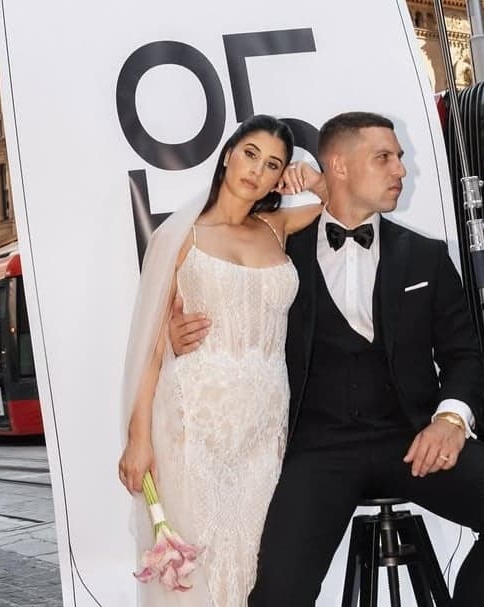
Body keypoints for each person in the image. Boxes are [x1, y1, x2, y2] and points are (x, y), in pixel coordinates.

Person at [170, 112, 484, 606]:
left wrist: (451, 420)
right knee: (277, 596)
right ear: (339, 166)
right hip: (317, 450)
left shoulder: (426, 256)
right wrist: (184, 337)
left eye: (400, 158)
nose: (400, 171)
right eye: (384, 158)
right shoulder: (279, 250)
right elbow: (233, 306)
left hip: (411, 439)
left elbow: (463, 354)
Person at [118, 114, 323, 606]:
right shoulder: (180, 234)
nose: (257, 170)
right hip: (197, 421)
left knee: (259, 560)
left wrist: (312, 175)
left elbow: (342, 202)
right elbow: (149, 347)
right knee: (203, 563)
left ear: (280, 177)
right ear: (228, 153)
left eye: (273, 164)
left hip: (264, 424)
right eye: (250, 153)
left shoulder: (278, 226)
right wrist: (138, 439)